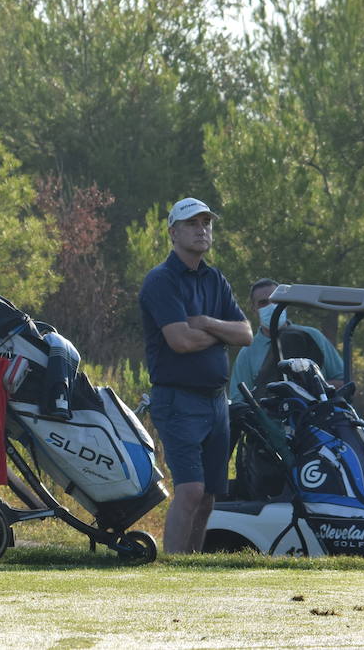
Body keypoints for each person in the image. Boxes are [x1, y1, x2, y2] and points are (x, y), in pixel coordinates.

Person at [138, 198, 252, 553]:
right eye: (192, 223)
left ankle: (190, 564)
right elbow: (180, 341)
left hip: (217, 401)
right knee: (190, 490)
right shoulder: (161, 280)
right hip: (178, 399)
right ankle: (172, 568)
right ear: (173, 232)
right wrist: (222, 334)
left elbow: (246, 334)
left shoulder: (215, 279)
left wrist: (206, 322)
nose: (202, 229)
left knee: (209, 496)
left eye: (206, 222)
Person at [229, 278, 345, 402]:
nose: (271, 306)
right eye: (263, 303)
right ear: (253, 309)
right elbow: (238, 401)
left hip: (316, 416)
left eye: (275, 301)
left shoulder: (312, 336)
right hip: (272, 420)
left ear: (285, 303)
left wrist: (312, 390)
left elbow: (344, 381)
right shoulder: (247, 354)